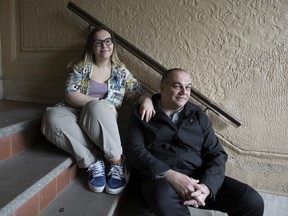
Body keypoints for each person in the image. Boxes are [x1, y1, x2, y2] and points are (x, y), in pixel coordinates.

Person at [124, 68, 264, 215]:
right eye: (177, 86)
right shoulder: (143, 111)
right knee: (162, 198)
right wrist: (170, 175)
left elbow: (217, 153)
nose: (184, 91)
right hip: (160, 178)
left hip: (196, 176)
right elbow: (134, 149)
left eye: (188, 87)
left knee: (250, 200)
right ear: (162, 87)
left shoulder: (197, 114)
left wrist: (207, 186)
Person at [41, 26, 155, 195]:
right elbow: (71, 95)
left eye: (108, 41)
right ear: (92, 47)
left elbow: (139, 92)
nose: (104, 45)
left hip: (99, 117)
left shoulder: (121, 72)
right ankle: (92, 160)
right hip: (73, 110)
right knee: (51, 117)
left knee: (95, 107)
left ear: (113, 45)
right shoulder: (81, 67)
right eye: (98, 42)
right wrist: (98, 101)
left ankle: (116, 162)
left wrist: (147, 100)